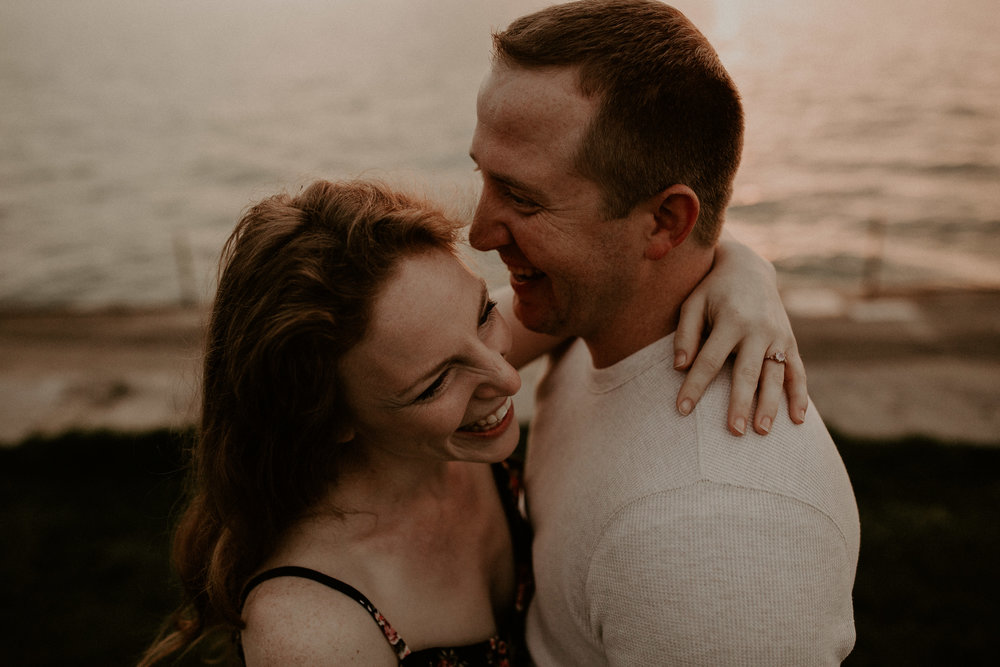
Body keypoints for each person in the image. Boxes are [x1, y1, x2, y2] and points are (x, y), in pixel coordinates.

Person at [137, 177, 801, 665]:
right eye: (436, 382)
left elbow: (626, 268)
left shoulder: (445, 354)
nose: (506, 376)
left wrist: (746, 270)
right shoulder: (311, 629)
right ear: (330, 416)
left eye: (485, 312)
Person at [468, 1, 861, 664]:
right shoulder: (591, 313)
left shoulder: (715, 538)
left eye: (523, 198)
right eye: (485, 177)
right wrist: (741, 258)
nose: (477, 232)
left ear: (664, 223)